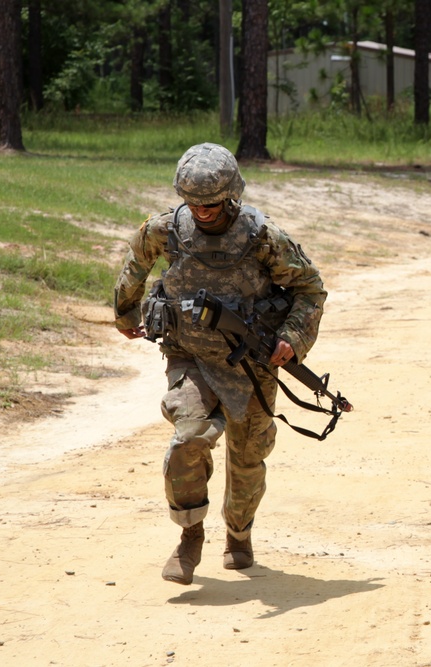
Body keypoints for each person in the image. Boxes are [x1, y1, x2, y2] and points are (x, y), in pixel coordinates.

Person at [113, 143, 327, 585]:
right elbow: (135, 264)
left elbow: (310, 290)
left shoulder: (263, 236)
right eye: (193, 204)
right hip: (189, 355)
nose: (201, 212)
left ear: (231, 195)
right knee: (188, 437)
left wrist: (291, 338)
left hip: (252, 364)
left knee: (248, 459)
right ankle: (190, 535)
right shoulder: (167, 229)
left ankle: (239, 533)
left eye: (211, 204)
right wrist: (125, 314)